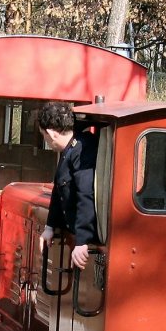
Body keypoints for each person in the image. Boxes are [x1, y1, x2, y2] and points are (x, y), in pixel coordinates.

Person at [38, 101, 98, 269]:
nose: (46, 141)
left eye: (44, 135)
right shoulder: (69, 151)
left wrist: (82, 241)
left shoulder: (82, 149)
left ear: (51, 133)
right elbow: (59, 190)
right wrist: (50, 227)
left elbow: (86, 193)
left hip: (84, 235)